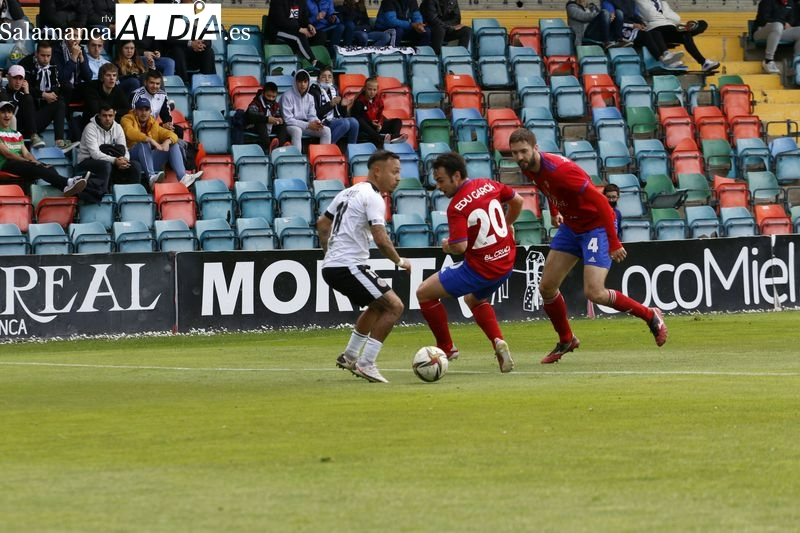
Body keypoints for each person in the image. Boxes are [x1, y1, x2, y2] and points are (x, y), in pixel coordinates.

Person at [508, 128, 667, 363]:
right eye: (514, 153)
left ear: (535, 148)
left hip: (596, 226)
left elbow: (602, 202)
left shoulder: (562, 171)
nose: (519, 157)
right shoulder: (530, 168)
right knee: (546, 288)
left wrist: (613, 242)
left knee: (595, 292)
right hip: (572, 226)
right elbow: (548, 189)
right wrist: (554, 212)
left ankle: (650, 316)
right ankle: (567, 339)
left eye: (523, 151)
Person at [416, 152, 523, 373]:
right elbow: (518, 201)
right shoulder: (488, 184)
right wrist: (508, 223)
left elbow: (460, 247)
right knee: (474, 299)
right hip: (506, 261)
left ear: (456, 176)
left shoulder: (456, 207)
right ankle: (497, 342)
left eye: (441, 180)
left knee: (424, 292)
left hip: (480, 269)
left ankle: (447, 347)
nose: (438, 186)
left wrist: (447, 245)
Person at [317, 150, 410, 383]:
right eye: (395, 172)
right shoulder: (373, 197)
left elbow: (322, 223)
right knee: (395, 306)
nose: (398, 177)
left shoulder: (348, 192)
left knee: (378, 306)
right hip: (348, 265)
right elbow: (380, 238)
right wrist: (400, 261)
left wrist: (329, 254)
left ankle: (349, 356)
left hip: (335, 266)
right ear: (377, 171)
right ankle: (367, 363)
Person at [0, 100, 89, 196]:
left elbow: (26, 153)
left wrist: (36, 162)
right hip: (6, 164)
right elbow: (7, 154)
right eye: (3, 112)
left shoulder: (17, 134)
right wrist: (28, 162)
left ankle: (66, 188)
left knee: (49, 168)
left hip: (21, 163)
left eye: (9, 112)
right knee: (37, 167)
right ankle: (68, 182)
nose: (7, 115)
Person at [121, 97, 203, 189]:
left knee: (173, 143)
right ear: (135, 111)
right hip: (132, 158)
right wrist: (150, 140)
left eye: (146, 110)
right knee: (143, 143)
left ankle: (182, 177)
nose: (144, 113)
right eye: (140, 110)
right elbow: (130, 132)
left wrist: (167, 142)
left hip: (149, 159)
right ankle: (151, 177)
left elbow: (172, 135)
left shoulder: (153, 123)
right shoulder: (127, 119)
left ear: (150, 111)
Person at [77, 104, 143, 203]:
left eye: (110, 115)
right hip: (87, 161)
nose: (107, 119)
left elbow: (124, 149)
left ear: (114, 115)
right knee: (106, 165)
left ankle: (132, 199)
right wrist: (115, 160)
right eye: (104, 115)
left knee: (135, 166)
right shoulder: (90, 128)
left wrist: (124, 160)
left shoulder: (118, 127)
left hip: (112, 161)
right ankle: (104, 198)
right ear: (99, 115)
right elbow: (95, 154)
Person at [634, 0, 720, 72]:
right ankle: (668, 57)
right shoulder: (641, 1)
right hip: (654, 28)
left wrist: (684, 25)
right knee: (678, 31)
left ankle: (704, 63)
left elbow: (675, 18)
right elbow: (651, 16)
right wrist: (666, 18)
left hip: (669, 26)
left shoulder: (662, 2)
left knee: (696, 27)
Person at [18, 41, 75, 150]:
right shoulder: (26, 64)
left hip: (39, 116)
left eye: (48, 55)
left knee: (59, 104)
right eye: (43, 55)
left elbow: (57, 83)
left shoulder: (53, 64)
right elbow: (25, 86)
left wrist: (52, 94)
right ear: (36, 54)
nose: (46, 59)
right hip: (24, 118)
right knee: (27, 97)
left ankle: (59, 141)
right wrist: (43, 95)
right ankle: (33, 136)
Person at [608, 0, 684, 66]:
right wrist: (632, 25)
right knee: (646, 35)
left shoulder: (630, 2)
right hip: (622, 30)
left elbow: (636, 16)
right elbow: (613, 21)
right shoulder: (609, 2)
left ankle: (666, 54)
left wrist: (642, 24)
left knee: (656, 33)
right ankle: (662, 60)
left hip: (635, 27)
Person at [280, 69, 332, 151]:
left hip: (305, 125)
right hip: (290, 126)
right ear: (295, 82)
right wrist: (308, 125)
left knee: (326, 130)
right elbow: (288, 120)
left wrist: (317, 122)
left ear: (308, 82)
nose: (303, 84)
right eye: (300, 82)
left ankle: (323, 158)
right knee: (297, 131)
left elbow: (312, 115)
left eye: (305, 82)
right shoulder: (287, 96)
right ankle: (297, 159)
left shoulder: (310, 97)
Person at [267, 0, 325, 72]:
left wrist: (309, 25)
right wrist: (300, 29)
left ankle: (305, 60)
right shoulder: (277, 1)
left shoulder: (301, 1)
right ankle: (314, 62)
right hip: (278, 31)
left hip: (295, 30)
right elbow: (280, 21)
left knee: (320, 35)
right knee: (299, 36)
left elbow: (303, 18)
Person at [308, 65, 359, 147]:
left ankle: (352, 149)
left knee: (354, 122)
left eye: (329, 77)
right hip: (322, 121)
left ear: (333, 79)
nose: (327, 79)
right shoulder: (313, 91)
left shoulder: (334, 89)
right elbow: (315, 113)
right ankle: (329, 146)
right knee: (345, 123)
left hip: (335, 120)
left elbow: (340, 114)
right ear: (318, 79)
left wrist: (343, 106)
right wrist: (330, 104)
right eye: (324, 77)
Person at [350, 76, 407, 147]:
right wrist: (371, 123)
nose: (372, 92)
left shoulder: (378, 100)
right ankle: (380, 138)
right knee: (360, 120)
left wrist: (380, 123)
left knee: (397, 121)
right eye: (369, 89)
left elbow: (380, 113)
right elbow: (358, 118)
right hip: (366, 127)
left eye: (374, 90)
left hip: (376, 125)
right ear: (365, 89)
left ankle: (394, 138)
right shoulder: (359, 101)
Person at [753, 0, 800, 74]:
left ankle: (797, 61)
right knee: (778, 25)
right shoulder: (767, 2)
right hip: (762, 31)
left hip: (780, 31)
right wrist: (783, 23)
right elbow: (763, 20)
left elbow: (792, 19)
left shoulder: (791, 3)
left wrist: (788, 24)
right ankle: (768, 61)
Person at [0, 65, 42, 148]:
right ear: (8, 77)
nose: (18, 82)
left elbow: (33, 113)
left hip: (23, 126)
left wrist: (27, 93)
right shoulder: (3, 91)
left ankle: (34, 135)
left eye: (20, 78)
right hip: (6, 125)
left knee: (59, 103)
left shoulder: (24, 95)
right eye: (15, 78)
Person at [245, 81, 290, 152]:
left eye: (273, 97)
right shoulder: (255, 103)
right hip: (254, 127)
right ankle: (268, 147)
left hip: (270, 127)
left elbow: (277, 114)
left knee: (282, 124)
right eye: (268, 96)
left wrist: (278, 119)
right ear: (263, 93)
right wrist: (267, 119)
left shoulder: (275, 105)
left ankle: (280, 146)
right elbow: (252, 116)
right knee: (260, 122)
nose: (271, 99)